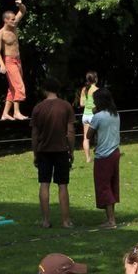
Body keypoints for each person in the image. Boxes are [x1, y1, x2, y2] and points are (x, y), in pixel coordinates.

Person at [30, 76, 76, 229]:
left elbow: (35, 134)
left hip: (43, 150)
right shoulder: (66, 106)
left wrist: (35, 153)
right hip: (61, 150)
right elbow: (70, 131)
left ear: (44, 89)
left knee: (44, 184)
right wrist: (71, 150)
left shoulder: (38, 108)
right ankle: (66, 221)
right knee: (63, 185)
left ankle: (45, 220)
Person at [87, 87, 121, 229]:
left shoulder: (98, 117)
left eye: (95, 100)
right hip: (115, 152)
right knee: (112, 185)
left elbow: (88, 135)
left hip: (103, 155)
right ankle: (111, 217)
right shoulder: (115, 114)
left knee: (104, 186)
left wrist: (94, 115)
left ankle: (111, 221)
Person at [0, 0, 29, 120]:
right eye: (12, 19)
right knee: (19, 87)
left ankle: (5, 113)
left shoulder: (14, 26)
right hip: (9, 62)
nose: (14, 21)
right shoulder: (0, 34)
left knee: (13, 88)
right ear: (6, 20)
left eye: (14, 19)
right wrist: (2, 65)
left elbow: (22, 11)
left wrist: (20, 5)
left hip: (18, 61)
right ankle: (16, 112)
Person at [79, 71, 98, 163]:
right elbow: (99, 104)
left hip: (85, 115)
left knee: (86, 138)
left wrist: (88, 103)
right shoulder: (97, 90)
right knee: (99, 136)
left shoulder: (84, 89)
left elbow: (81, 104)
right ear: (95, 79)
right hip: (94, 115)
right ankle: (100, 155)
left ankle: (88, 158)